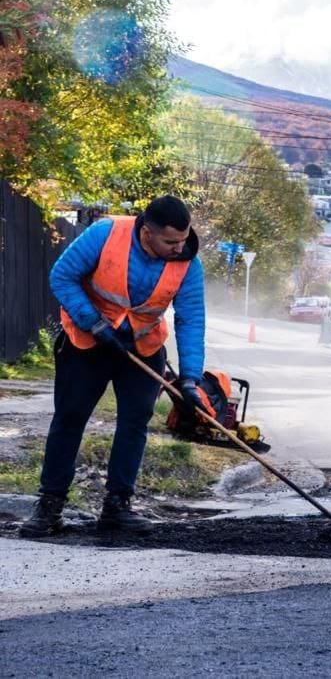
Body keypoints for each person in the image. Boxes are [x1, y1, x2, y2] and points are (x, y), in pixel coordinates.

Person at [19, 196, 206, 538]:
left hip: (143, 347)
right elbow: (62, 277)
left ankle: (117, 507)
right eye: (170, 242)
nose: (179, 248)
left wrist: (191, 380)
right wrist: (94, 322)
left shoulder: (187, 262)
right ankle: (49, 506)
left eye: (183, 240)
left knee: (135, 423)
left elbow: (191, 319)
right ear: (146, 232)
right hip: (87, 342)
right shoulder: (105, 234)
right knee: (69, 419)